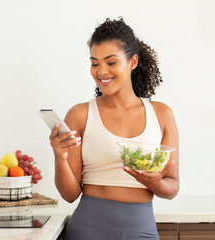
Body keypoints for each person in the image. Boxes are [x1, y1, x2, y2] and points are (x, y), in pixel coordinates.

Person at [49, 17, 179, 240]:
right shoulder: (80, 114)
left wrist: (154, 182)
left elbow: (172, 187)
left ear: (133, 61)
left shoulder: (162, 114)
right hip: (89, 229)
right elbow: (70, 195)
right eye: (94, 63)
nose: (101, 72)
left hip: (142, 230)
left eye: (111, 62)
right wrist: (59, 157)